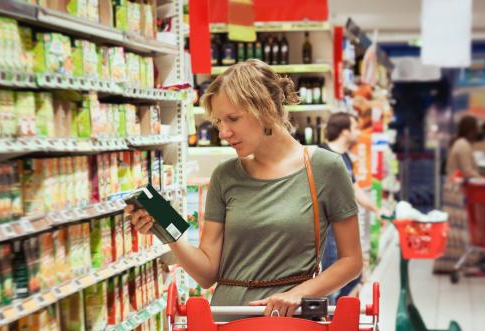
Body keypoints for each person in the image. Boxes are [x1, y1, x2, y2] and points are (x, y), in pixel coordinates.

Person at [126, 59, 362, 317]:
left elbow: (351, 261)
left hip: (290, 329)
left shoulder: (324, 168)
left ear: (267, 108)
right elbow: (207, 274)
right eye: (218, 122)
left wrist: (300, 293)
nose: (224, 132)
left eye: (233, 119)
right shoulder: (225, 176)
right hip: (225, 324)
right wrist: (164, 228)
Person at [318, 112, 380, 304]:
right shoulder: (321, 154)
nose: (358, 132)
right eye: (354, 128)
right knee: (329, 272)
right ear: (345, 132)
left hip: (342, 224)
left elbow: (355, 190)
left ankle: (337, 314)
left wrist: (377, 210)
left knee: (347, 272)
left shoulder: (345, 158)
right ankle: (326, 318)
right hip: (325, 227)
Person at [434, 115, 482, 273]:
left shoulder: (460, 143)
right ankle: (459, 263)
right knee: (459, 230)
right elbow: (467, 171)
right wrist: (484, 179)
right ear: (470, 129)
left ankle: (448, 264)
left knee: (453, 230)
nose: (477, 131)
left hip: (452, 190)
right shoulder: (463, 145)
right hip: (456, 191)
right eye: (475, 128)